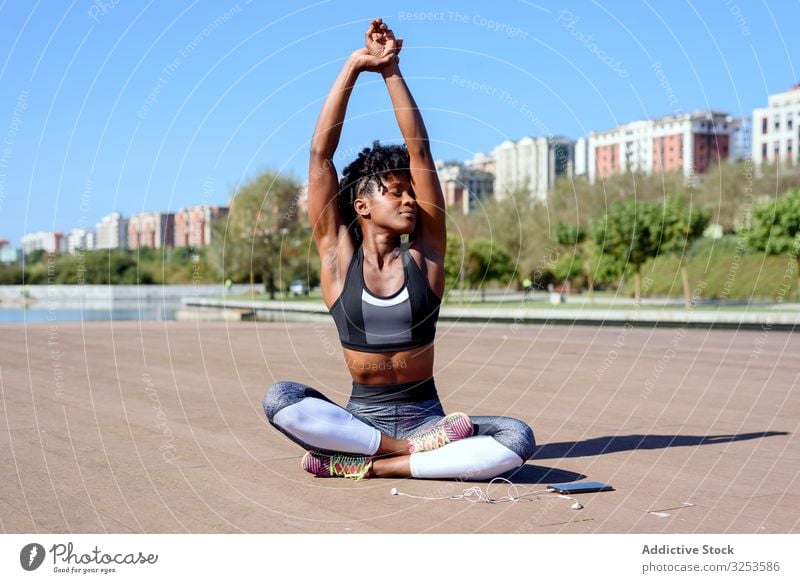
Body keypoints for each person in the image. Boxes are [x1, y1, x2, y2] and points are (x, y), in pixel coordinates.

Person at [263, 19, 534, 481]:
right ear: (362, 204)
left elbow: (420, 152)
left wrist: (391, 70)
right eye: (395, 192)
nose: (410, 199)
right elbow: (319, 159)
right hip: (357, 422)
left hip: (429, 418)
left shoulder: (425, 257)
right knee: (281, 399)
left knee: (517, 437)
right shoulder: (338, 259)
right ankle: (399, 451)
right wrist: (354, 65)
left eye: (412, 192)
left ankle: (378, 467)